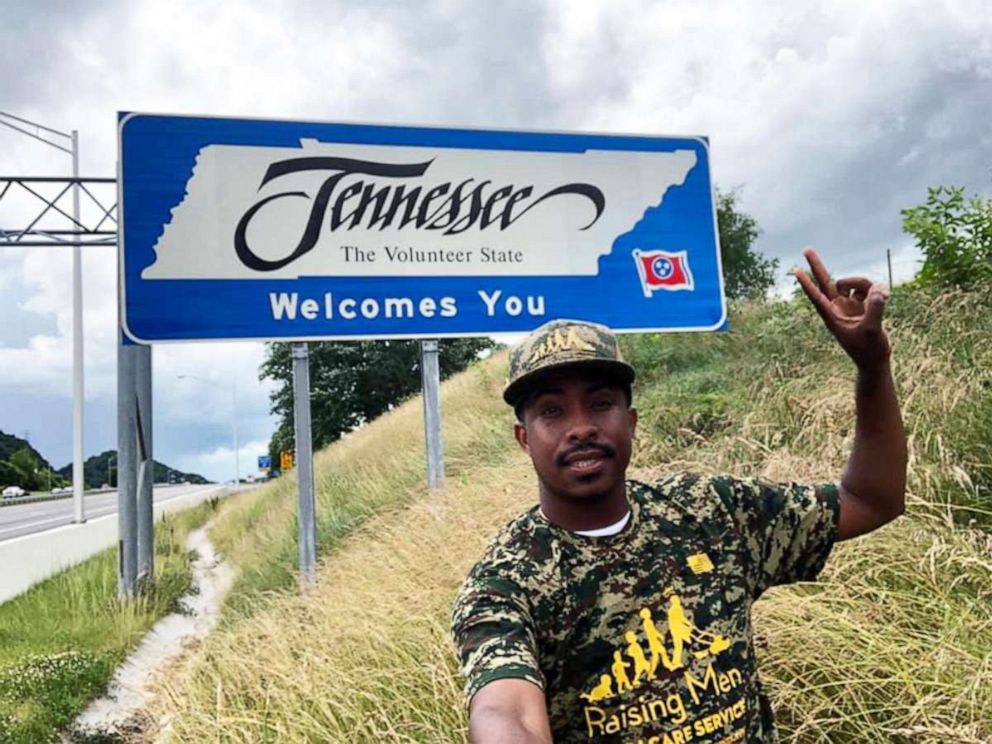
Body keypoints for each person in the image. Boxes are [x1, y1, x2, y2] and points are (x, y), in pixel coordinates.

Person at [451, 248, 907, 743]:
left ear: (630, 422)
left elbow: (872, 500)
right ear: (524, 438)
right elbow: (505, 713)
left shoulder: (708, 510)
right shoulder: (506, 582)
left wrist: (872, 367)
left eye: (600, 404)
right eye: (552, 412)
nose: (580, 428)